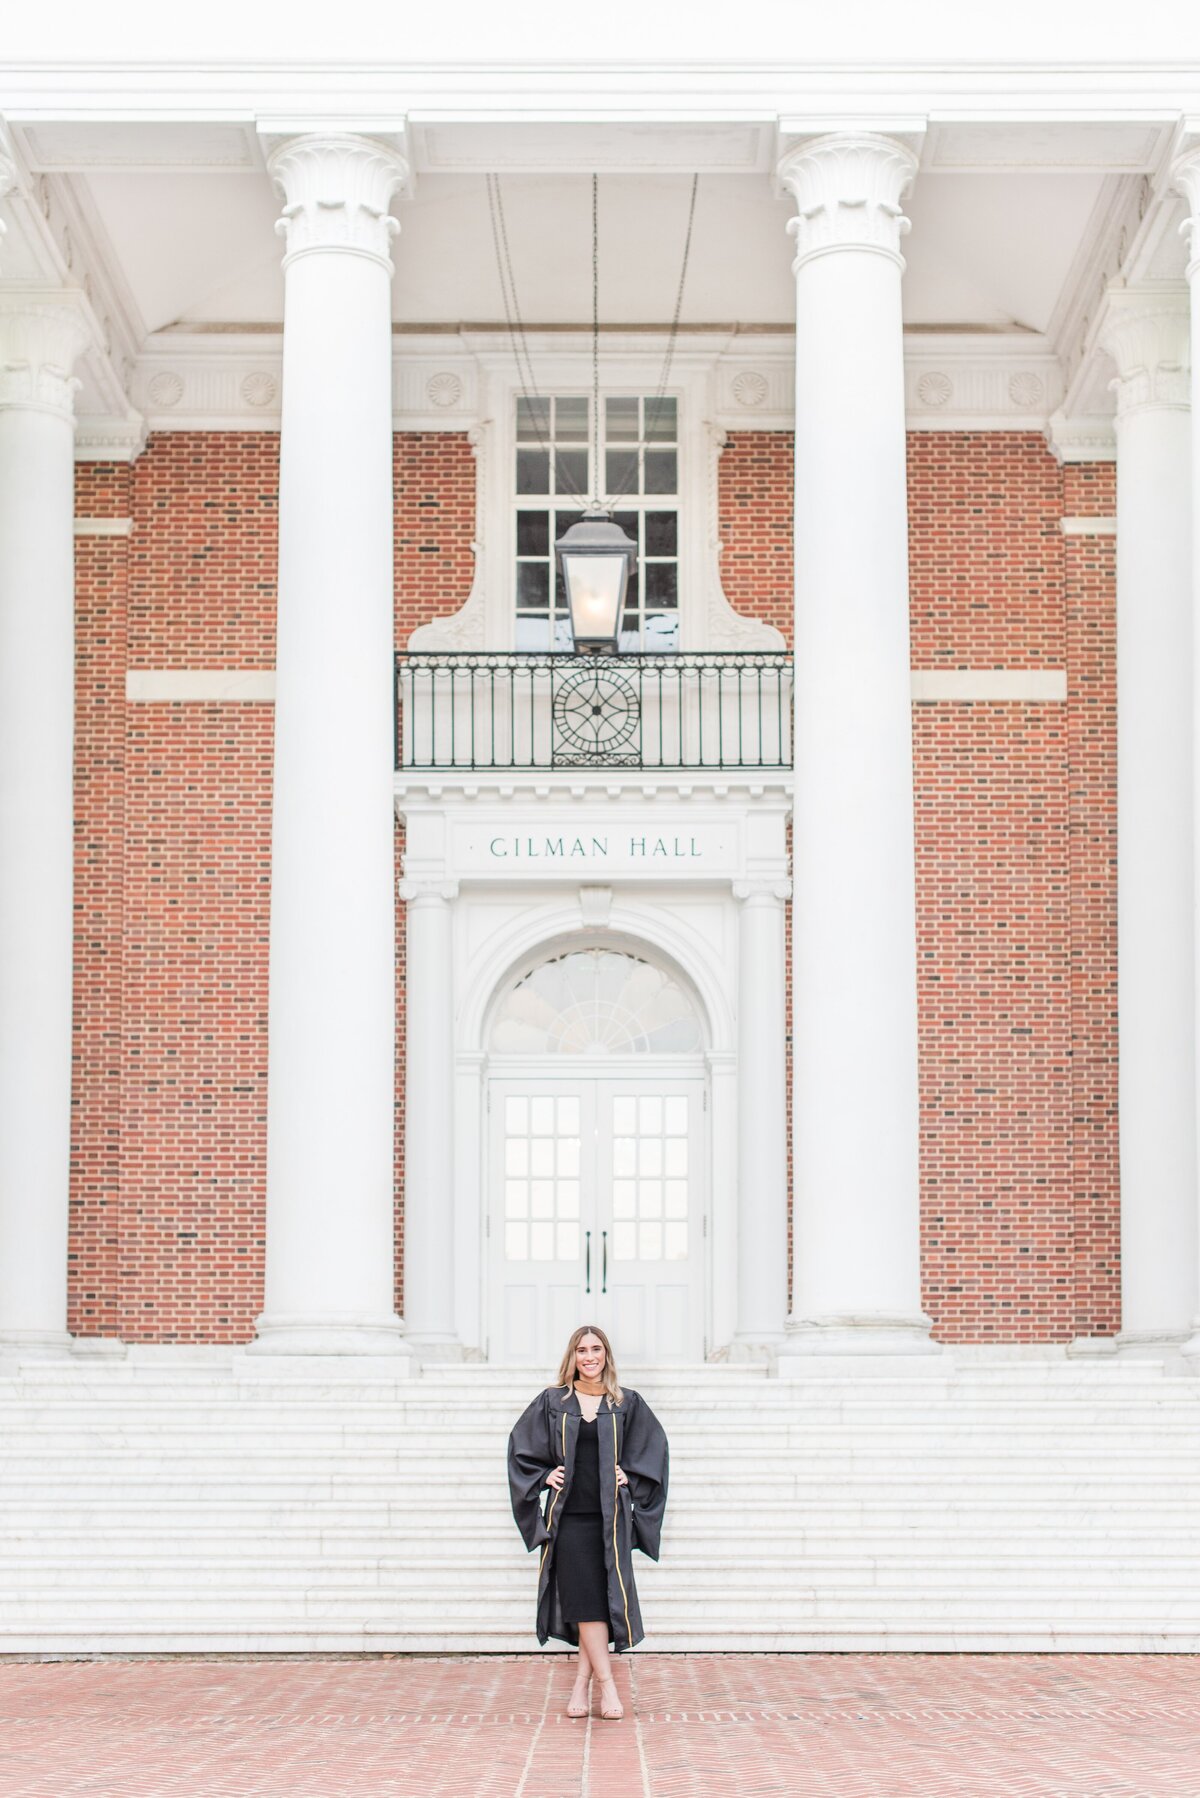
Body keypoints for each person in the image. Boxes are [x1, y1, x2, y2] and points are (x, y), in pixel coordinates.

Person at [506, 1324, 669, 1721]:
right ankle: (608, 1685)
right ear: (572, 1357)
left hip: (609, 1521)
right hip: (570, 1520)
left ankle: (581, 1684)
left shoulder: (626, 1403)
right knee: (585, 1605)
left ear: (607, 1356)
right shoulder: (552, 1401)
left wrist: (629, 1476)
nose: (589, 1357)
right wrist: (544, 1476)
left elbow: (654, 1452)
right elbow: (520, 1450)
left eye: (596, 1349)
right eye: (582, 1350)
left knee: (594, 1604)